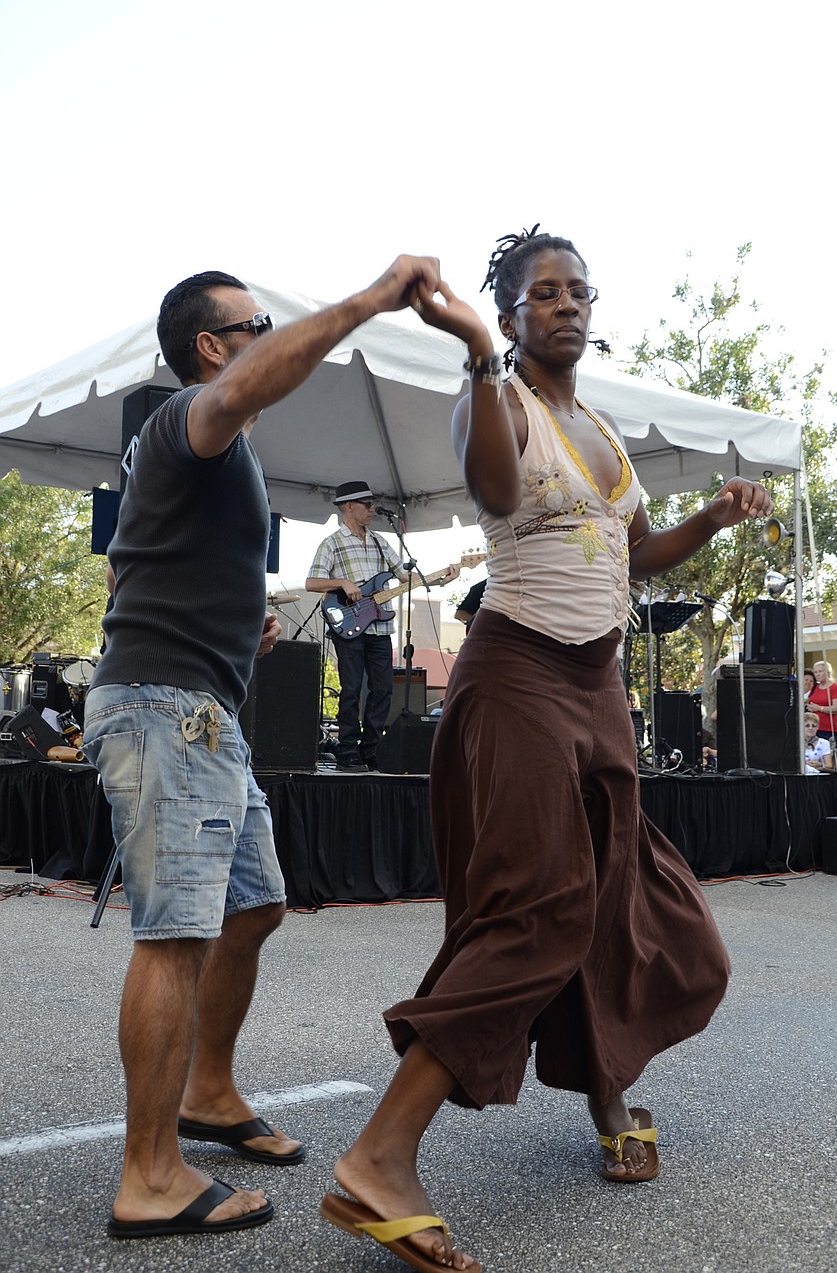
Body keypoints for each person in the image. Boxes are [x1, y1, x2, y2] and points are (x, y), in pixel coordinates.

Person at [320, 227, 775, 1273]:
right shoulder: (498, 399)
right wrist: (477, 352)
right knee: (537, 903)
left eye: (578, 290)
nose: (566, 305)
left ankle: (606, 1087)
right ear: (513, 311)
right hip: (519, 671)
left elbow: (632, 551)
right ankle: (380, 1156)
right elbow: (489, 493)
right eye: (543, 294)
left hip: (596, 684)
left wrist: (709, 513)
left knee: (614, 890)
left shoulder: (603, 432)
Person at [82, 254, 443, 1239]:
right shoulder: (188, 415)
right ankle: (149, 1174)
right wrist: (369, 301)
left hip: (203, 706)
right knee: (177, 930)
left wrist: (244, 623)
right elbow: (245, 384)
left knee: (254, 905)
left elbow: (138, 573)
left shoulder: (211, 452)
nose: (265, 339)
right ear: (212, 347)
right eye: (252, 328)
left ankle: (207, 1090)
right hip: (168, 709)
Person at [305, 482, 407, 772]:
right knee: (350, 689)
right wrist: (342, 583)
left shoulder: (379, 542)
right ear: (349, 507)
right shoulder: (332, 543)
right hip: (348, 625)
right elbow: (311, 583)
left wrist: (438, 577)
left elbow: (403, 578)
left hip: (380, 629)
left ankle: (370, 749)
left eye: (372, 504)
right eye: (367, 504)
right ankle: (347, 750)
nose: (372, 509)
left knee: (384, 690)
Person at [806, 659, 837, 790]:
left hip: (829, 729)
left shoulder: (834, 688)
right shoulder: (815, 688)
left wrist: (819, 708)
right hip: (814, 730)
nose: (817, 674)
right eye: (816, 672)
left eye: (820, 671)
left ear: (827, 672)